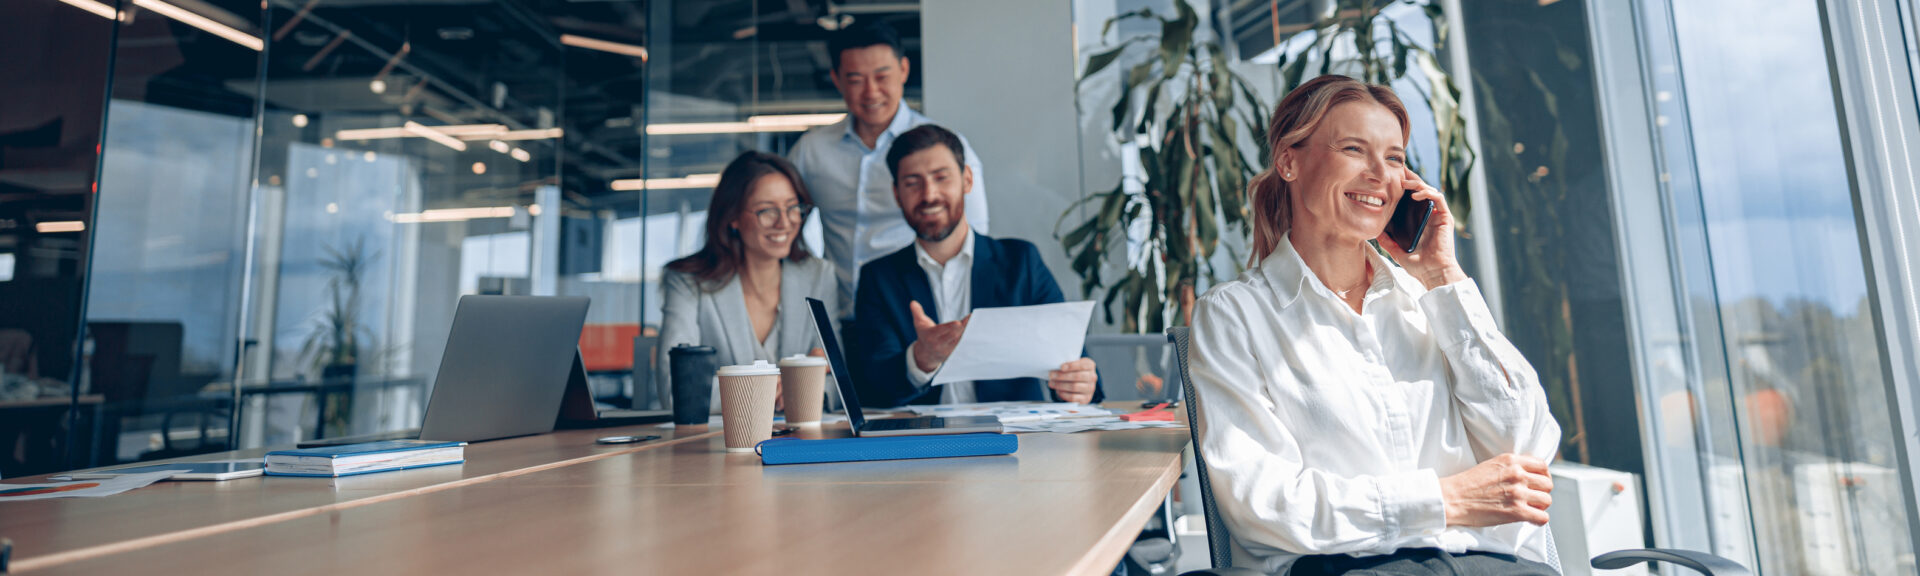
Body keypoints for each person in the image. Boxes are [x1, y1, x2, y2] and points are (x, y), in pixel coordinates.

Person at [1187, 74, 1562, 575]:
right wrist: (1443, 500)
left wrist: (1442, 275)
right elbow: (1263, 503)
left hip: (1488, 564)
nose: (1378, 174)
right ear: (1289, 160)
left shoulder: (1431, 301)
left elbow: (1526, 449)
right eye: (1353, 149)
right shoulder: (1235, 316)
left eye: (1394, 158)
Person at [846, 124, 1100, 408]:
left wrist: (1079, 385)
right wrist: (921, 359)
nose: (929, 195)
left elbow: (1075, 364)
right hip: (919, 444)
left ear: (967, 180)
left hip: (1015, 440)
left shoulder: (1020, 262)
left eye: (941, 178)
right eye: (912, 183)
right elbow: (872, 389)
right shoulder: (878, 278)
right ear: (896, 194)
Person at [789, 20, 990, 312]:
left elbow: (975, 236)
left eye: (882, 76)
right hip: (841, 313)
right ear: (836, 79)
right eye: (856, 80)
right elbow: (785, 227)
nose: (871, 92)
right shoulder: (812, 151)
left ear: (904, 70)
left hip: (915, 314)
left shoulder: (942, 149)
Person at [657, 151, 838, 412]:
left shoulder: (819, 276)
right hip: (715, 446)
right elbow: (678, 388)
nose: (784, 223)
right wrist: (775, 389)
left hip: (800, 441)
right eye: (767, 211)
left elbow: (837, 383)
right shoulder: (687, 282)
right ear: (733, 218)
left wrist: (805, 389)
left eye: (793, 207)